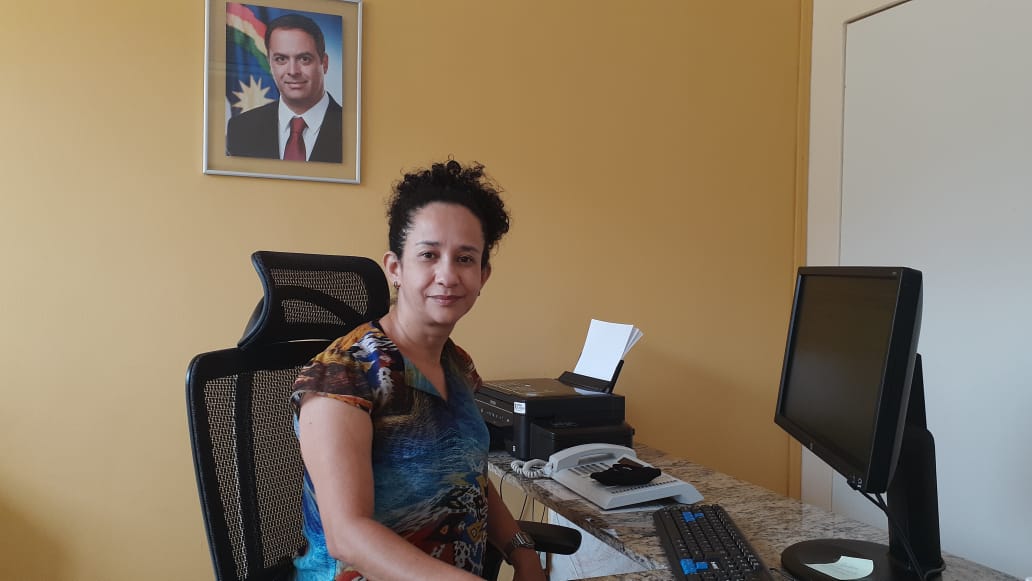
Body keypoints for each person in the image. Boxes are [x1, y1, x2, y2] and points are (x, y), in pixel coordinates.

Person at [290, 160, 546, 581]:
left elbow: (467, 477)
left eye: (465, 258)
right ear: (395, 268)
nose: (448, 275)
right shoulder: (342, 375)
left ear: (483, 276)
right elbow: (346, 536)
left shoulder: (458, 365)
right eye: (429, 255)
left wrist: (522, 550)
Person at [226, 13, 342, 162]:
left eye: (304, 59)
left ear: (324, 63)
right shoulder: (240, 128)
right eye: (281, 59)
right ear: (270, 63)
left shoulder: (355, 129)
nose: (293, 71)